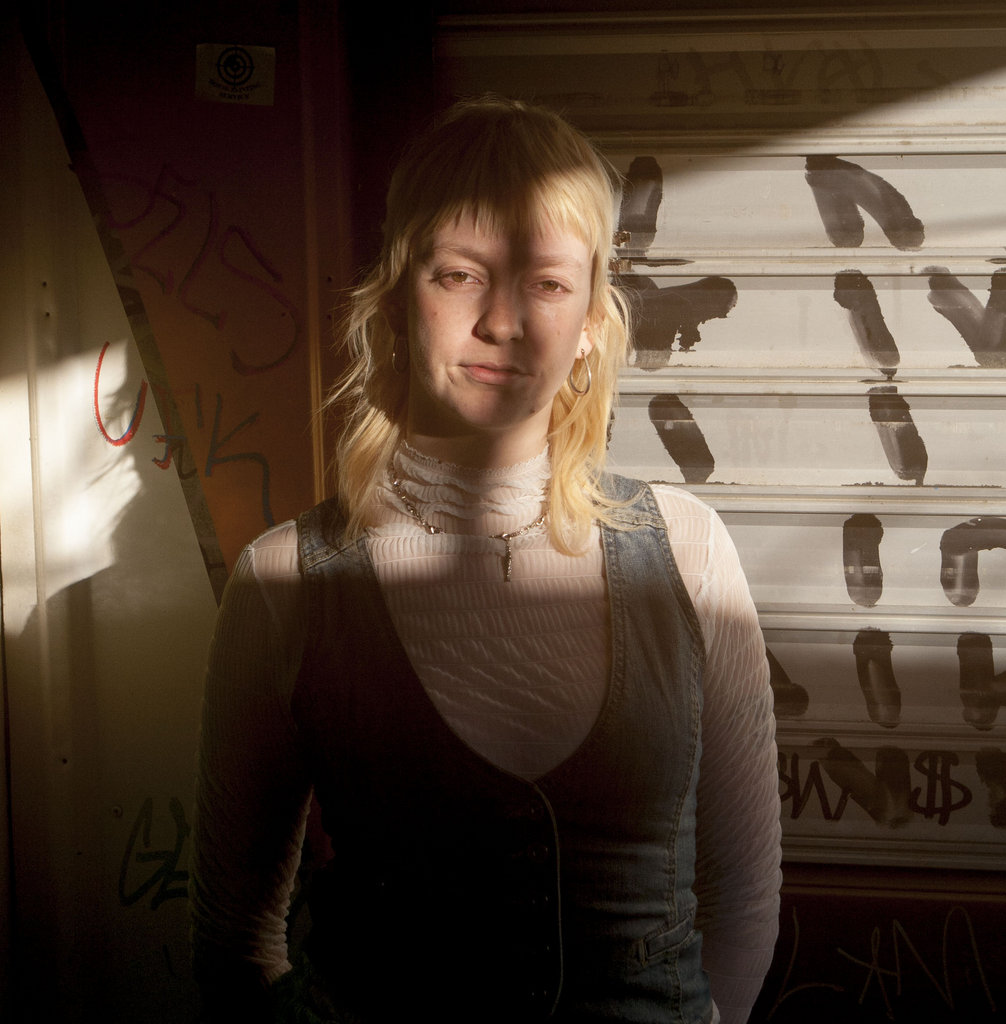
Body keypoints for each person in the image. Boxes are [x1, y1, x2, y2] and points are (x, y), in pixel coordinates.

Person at [189, 96, 781, 1024]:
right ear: (397, 297)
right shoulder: (284, 584)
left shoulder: (690, 550)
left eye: (546, 283)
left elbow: (741, 905)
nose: (502, 321)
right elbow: (234, 940)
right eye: (461, 274)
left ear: (592, 320)